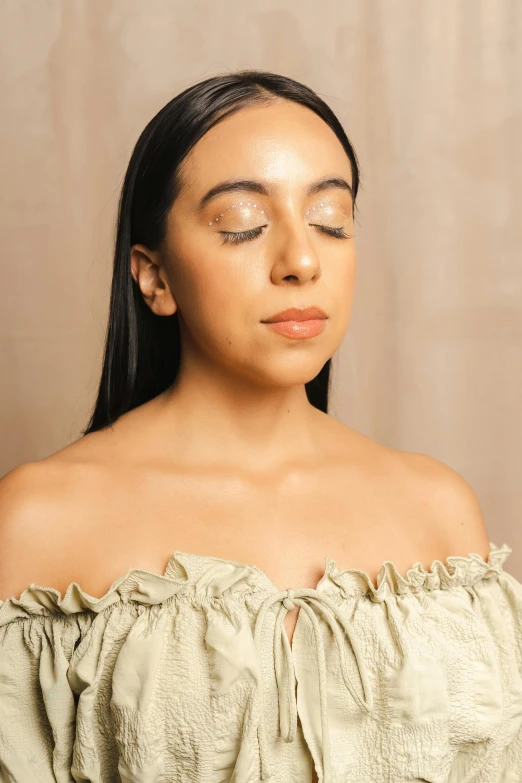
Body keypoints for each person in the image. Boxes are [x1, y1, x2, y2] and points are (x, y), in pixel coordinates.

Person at [0, 69, 520, 783]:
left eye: (331, 220)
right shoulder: (38, 519)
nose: (302, 260)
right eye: (243, 222)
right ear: (153, 277)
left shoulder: (438, 511)